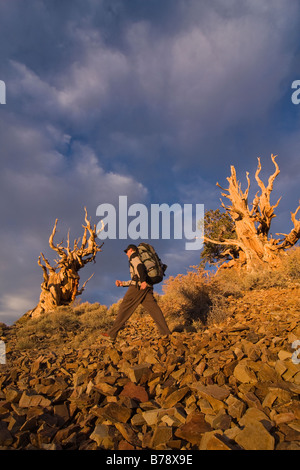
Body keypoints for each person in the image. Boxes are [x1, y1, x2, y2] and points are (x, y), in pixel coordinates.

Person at [101, 244, 171, 342]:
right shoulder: (141, 258)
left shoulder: (134, 256)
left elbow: (139, 267)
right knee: (154, 309)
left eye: (127, 252)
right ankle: (166, 333)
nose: (126, 254)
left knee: (124, 306)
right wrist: (123, 283)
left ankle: (111, 334)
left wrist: (142, 281)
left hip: (138, 287)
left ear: (131, 250)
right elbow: (137, 276)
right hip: (147, 286)